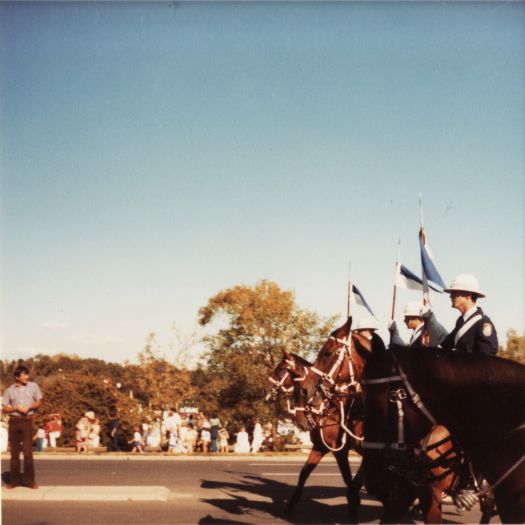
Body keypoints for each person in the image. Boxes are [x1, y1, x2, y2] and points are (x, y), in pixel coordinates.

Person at [1, 365, 43, 489]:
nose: (26, 377)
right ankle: (14, 481)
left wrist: (29, 407)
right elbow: (4, 409)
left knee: (27, 452)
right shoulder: (9, 390)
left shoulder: (34, 386)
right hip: (13, 422)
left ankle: (30, 481)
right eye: (24, 375)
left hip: (27, 422)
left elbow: (39, 402)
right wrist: (16, 408)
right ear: (16, 377)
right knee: (14, 453)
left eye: (27, 374)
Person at [440, 274, 498, 355]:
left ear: (468, 295)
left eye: (455, 292)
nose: (450, 296)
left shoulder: (483, 322)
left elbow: (487, 358)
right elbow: (446, 344)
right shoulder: (461, 321)